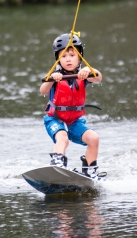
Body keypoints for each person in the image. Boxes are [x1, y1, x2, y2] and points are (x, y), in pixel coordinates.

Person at [40, 33, 105, 180]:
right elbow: (43, 90)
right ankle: (57, 164)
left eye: (71, 55)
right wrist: (52, 78)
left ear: (79, 57)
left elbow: (99, 77)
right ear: (58, 59)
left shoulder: (84, 74)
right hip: (55, 120)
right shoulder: (54, 75)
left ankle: (90, 171)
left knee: (94, 138)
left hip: (75, 122)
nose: (68, 59)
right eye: (63, 56)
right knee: (63, 139)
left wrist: (89, 71)